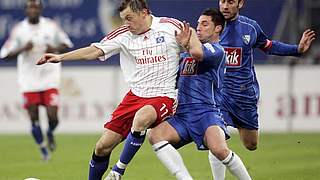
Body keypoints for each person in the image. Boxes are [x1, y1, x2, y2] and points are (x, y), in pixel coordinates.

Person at [36, 0, 184, 179]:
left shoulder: (170, 26)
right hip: (135, 96)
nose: (125, 24)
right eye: (123, 19)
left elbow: (194, 43)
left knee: (141, 118)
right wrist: (60, 57)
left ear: (144, 13)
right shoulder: (123, 34)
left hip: (164, 95)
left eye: (129, 18)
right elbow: (93, 51)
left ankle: (117, 171)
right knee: (102, 147)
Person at [208, 0, 316, 179]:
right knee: (216, 140)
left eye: (231, 2)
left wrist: (297, 50)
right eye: (222, 1)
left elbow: (269, 46)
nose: (225, 6)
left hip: (244, 95)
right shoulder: (211, 26)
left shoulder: (250, 27)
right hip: (219, 94)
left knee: (251, 144)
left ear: (240, 3)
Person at [148, 8, 252, 180]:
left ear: (218, 28)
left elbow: (197, 52)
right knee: (155, 135)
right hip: (182, 115)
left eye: (205, 24)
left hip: (207, 113)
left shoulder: (217, 51)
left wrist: (189, 39)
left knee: (219, 150)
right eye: (198, 24)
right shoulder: (184, 56)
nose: (199, 28)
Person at [0, 0, 73, 161]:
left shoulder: (51, 26)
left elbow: (66, 45)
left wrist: (53, 49)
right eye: (30, 7)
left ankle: (50, 132)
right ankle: (43, 148)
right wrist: (22, 49)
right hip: (29, 80)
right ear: (26, 10)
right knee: (34, 118)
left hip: (49, 77)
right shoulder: (19, 30)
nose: (33, 10)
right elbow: (5, 54)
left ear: (40, 9)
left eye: (36, 7)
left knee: (53, 117)